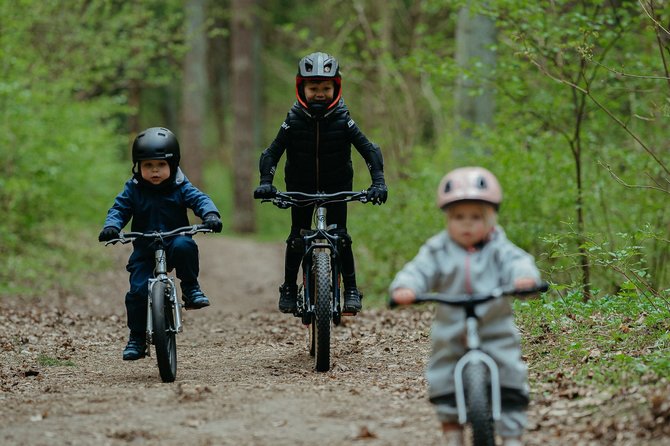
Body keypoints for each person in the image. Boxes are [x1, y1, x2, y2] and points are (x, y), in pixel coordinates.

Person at [389, 167, 541, 446]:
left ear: (491, 219)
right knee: (443, 371)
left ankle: (511, 435)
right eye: (459, 217)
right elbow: (419, 269)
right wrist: (406, 287)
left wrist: (524, 279)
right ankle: (451, 430)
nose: (466, 225)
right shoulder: (439, 249)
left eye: (475, 217)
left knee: (510, 372)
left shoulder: (498, 246)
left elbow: (517, 260)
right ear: (447, 219)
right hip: (451, 326)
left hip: (495, 325)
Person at [253, 51, 388, 314]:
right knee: (296, 237)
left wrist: (378, 182)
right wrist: (266, 181)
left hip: (337, 186)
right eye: (313, 87)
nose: (319, 93)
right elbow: (272, 153)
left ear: (335, 88)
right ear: (301, 88)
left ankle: (350, 288)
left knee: (342, 238)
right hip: (300, 187)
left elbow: (369, 149)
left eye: (325, 88)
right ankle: (290, 287)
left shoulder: (343, 119)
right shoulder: (292, 120)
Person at [98, 127, 223, 361]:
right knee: (136, 291)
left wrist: (210, 215)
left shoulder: (180, 186)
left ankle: (190, 287)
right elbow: (119, 208)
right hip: (145, 248)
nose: (155, 171)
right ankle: (136, 337)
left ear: (173, 165)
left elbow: (200, 199)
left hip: (175, 240)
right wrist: (112, 226)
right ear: (138, 167)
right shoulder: (133, 189)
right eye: (148, 166)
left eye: (161, 165)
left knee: (185, 246)